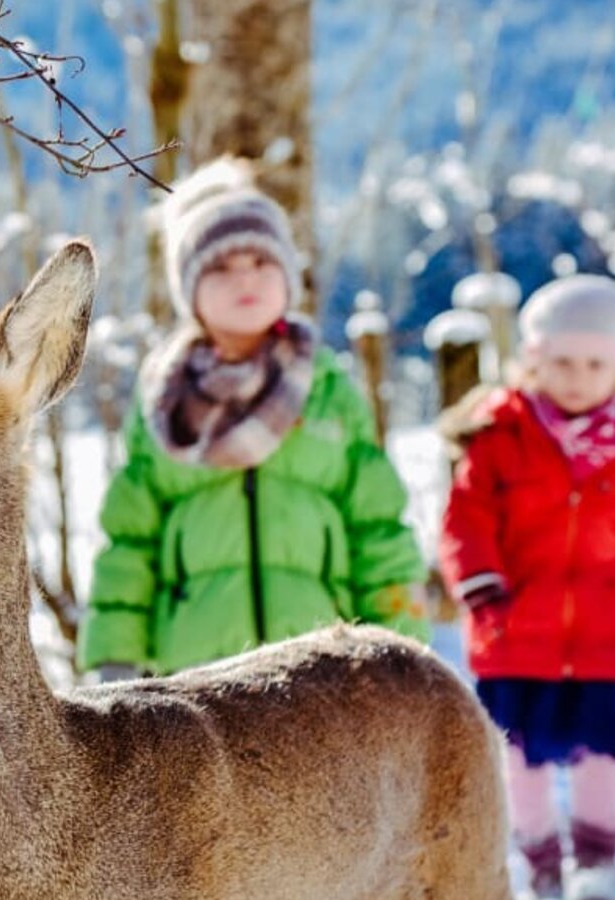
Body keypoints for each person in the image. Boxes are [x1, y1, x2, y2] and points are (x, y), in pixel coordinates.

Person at [77, 157, 429, 681]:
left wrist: (400, 646)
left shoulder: (328, 392)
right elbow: (129, 543)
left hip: (322, 671)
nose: (245, 279)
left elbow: (377, 530)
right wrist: (116, 656)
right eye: (220, 267)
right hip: (200, 678)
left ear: (289, 276)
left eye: (262, 262)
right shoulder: (165, 403)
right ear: (188, 290)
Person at [438, 275, 615, 900]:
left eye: (596, 363)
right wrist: (479, 580)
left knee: (602, 755)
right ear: (533, 360)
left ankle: (597, 860)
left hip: (604, 638)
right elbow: (465, 520)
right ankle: (539, 859)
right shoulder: (498, 438)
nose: (577, 376)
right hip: (515, 635)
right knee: (521, 759)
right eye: (561, 361)